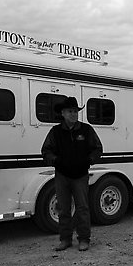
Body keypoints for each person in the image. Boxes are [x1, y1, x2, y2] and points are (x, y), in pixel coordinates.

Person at [41, 96, 103, 252]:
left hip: (81, 175)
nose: (74, 114)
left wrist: (89, 160)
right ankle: (65, 239)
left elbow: (98, 148)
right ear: (63, 113)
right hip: (62, 175)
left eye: (75, 111)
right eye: (70, 111)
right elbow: (46, 151)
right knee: (63, 208)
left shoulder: (86, 130)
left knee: (82, 208)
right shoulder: (55, 132)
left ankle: (84, 239)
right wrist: (56, 161)